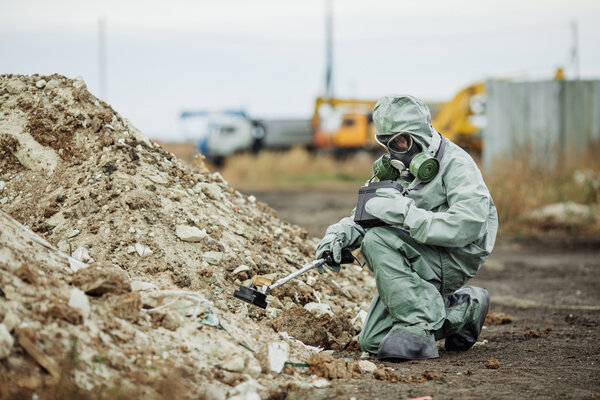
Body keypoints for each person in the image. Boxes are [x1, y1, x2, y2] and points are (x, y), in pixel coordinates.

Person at [316, 95, 498, 360]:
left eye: (400, 141)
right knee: (374, 341)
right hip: (419, 251)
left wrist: (406, 214)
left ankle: (417, 331)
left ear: (420, 135)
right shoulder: (397, 169)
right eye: (386, 142)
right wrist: (339, 234)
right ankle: (464, 310)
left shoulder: (456, 164)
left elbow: (469, 224)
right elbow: (365, 216)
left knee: (377, 240)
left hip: (456, 256)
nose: (394, 151)